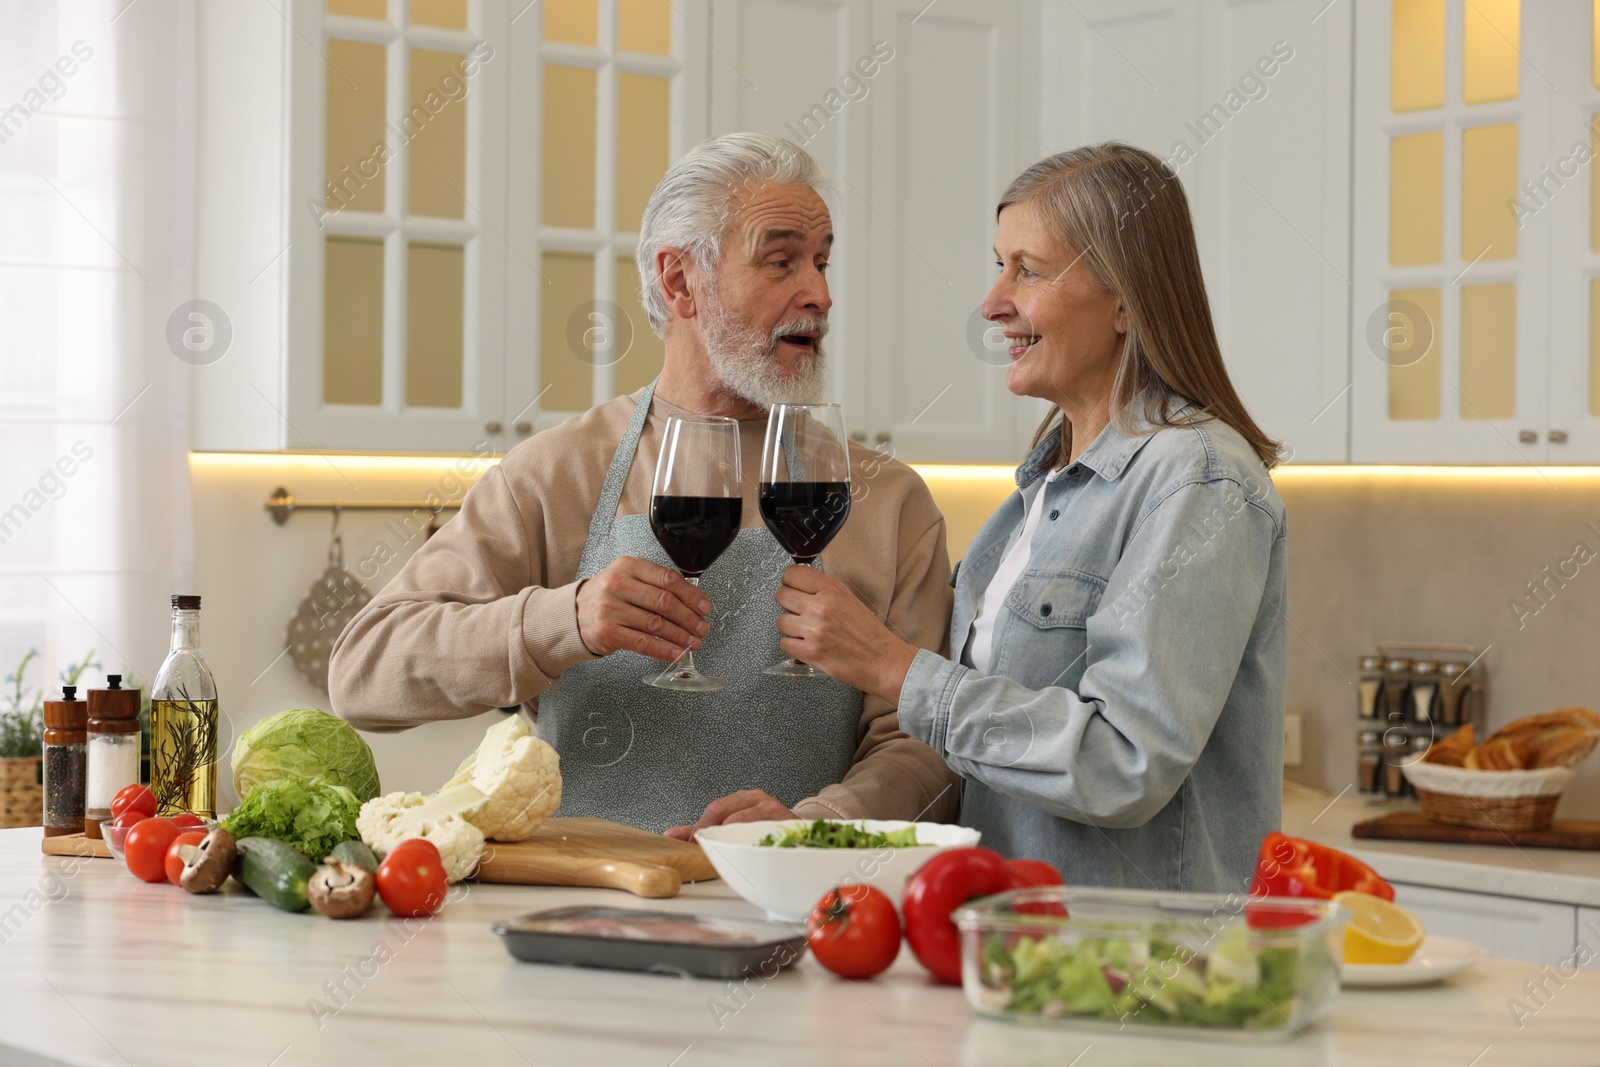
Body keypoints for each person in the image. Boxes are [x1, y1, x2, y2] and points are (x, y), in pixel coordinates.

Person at [329, 133, 958, 838]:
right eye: (781, 261)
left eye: (820, 260)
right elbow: (364, 670)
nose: (819, 292)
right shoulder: (558, 473)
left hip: (802, 905)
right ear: (680, 281)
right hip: (582, 902)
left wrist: (815, 826)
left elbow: (925, 741)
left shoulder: (889, 500)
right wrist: (561, 622)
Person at [770, 143, 1288, 893]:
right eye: (998, 264)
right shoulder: (1038, 491)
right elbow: (984, 750)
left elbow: (1124, 763)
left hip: (1136, 978)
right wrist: (802, 824)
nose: (992, 302)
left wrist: (894, 667)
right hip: (1019, 950)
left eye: (1029, 269)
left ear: (1124, 299)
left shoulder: (1197, 479)